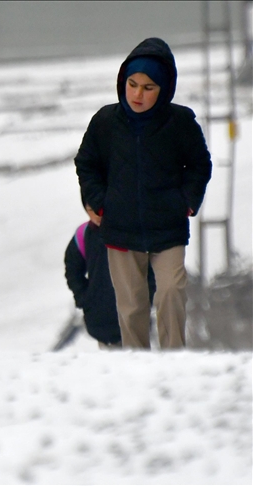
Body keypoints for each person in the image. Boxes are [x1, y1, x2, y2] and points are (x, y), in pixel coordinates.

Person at [74, 38, 212, 350]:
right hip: (119, 228)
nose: (138, 94)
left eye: (148, 87)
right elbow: (87, 163)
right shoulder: (105, 122)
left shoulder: (181, 123)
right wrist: (95, 200)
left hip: (168, 227)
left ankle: (174, 360)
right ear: (123, 82)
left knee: (171, 291)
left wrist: (188, 201)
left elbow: (199, 165)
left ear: (164, 89)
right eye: (132, 84)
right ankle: (138, 369)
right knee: (131, 306)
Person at [65, 218, 156, 349]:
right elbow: (72, 269)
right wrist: (85, 299)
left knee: (134, 365)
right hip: (103, 322)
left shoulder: (139, 229)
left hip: (133, 322)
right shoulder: (85, 233)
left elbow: (153, 270)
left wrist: (146, 300)